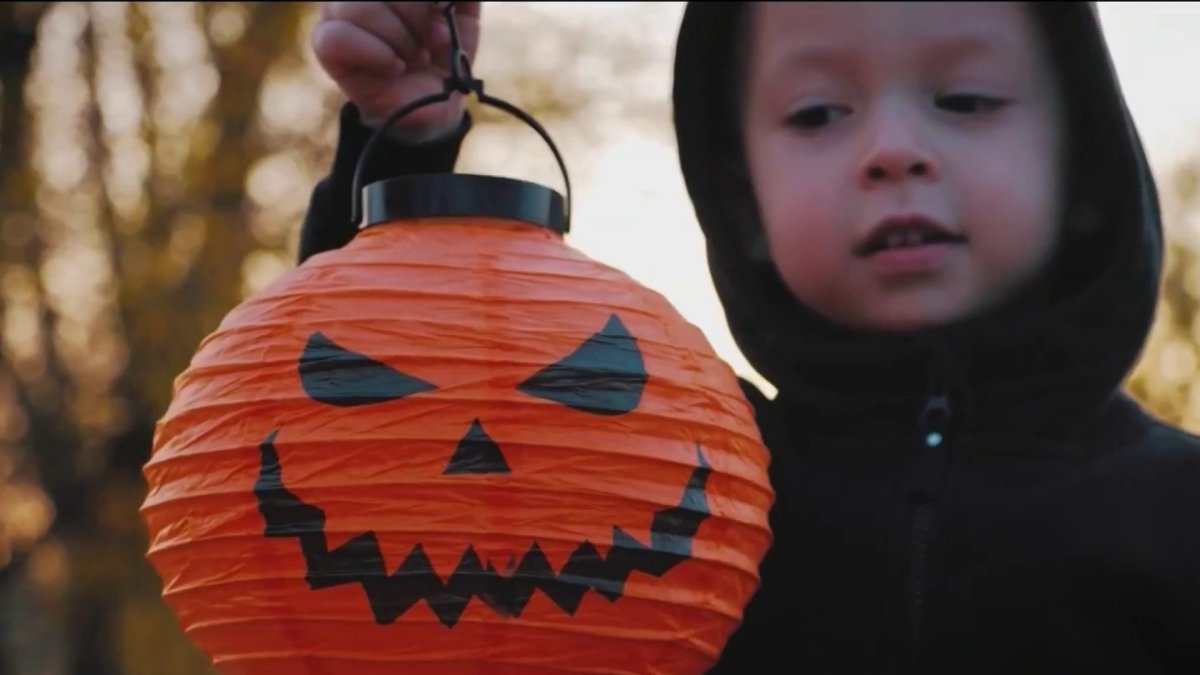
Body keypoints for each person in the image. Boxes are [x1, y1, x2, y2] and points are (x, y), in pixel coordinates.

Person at [300, 2, 1200, 673]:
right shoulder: (670, 470)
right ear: (746, 205)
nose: (891, 148)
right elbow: (379, 440)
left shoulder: (1179, 511)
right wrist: (407, 148)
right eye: (816, 114)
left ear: (1081, 165)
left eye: (964, 98)